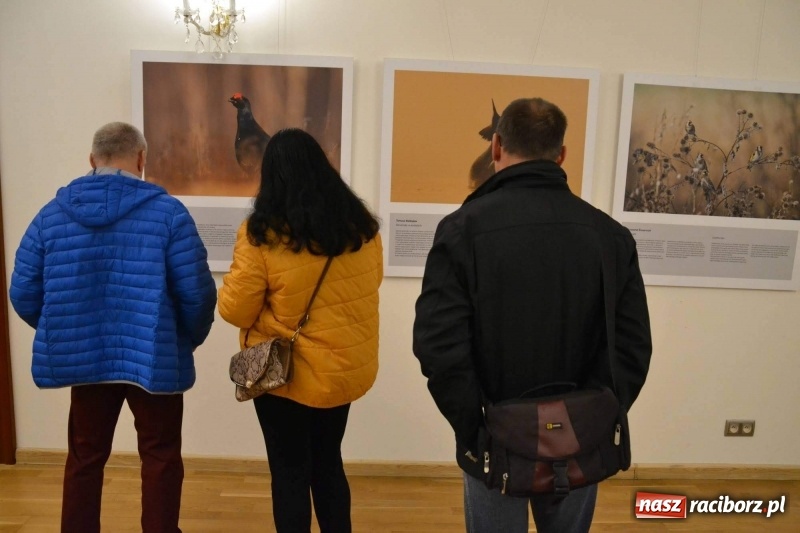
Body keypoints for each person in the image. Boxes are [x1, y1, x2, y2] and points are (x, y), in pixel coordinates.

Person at [412, 98, 652, 533]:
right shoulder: (609, 236)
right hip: (581, 435)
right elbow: (633, 345)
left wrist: (476, 429)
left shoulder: (462, 230)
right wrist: (596, 416)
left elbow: (439, 346)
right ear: (561, 155)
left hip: (494, 439)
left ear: (497, 147)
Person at [9, 122, 217, 533]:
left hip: (87, 362)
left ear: (92, 160)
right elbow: (198, 294)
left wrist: (66, 330)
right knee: (159, 456)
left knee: (85, 457)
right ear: (141, 160)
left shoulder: (51, 216)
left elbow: (22, 292)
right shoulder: (169, 214)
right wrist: (183, 339)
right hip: (154, 357)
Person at [218, 128, 383, 533]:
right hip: (342, 369)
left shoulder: (262, 235)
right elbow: (370, 286)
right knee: (328, 462)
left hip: (283, 375)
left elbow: (234, 310)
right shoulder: (362, 230)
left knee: (290, 471)